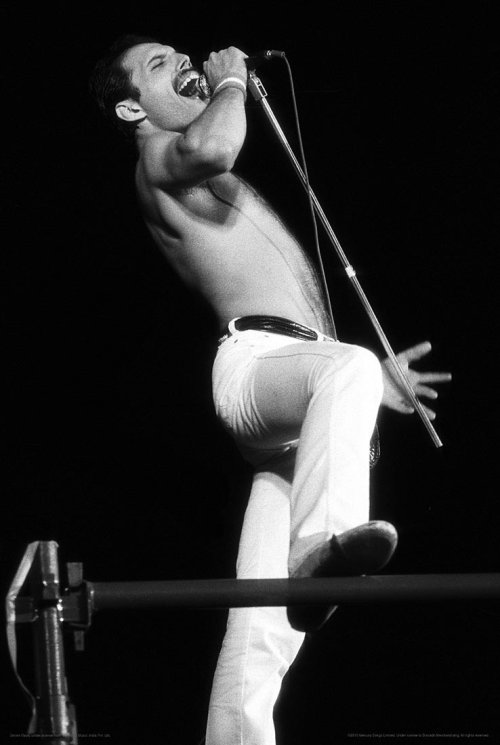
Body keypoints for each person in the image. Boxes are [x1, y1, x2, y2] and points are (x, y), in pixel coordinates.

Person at [89, 35, 451, 745]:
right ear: (133, 106)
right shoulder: (159, 156)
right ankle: (319, 548)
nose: (185, 62)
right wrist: (228, 86)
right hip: (253, 368)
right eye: (161, 65)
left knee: (258, 641)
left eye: (179, 53)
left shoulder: (195, 162)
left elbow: (298, 314)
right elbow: (218, 148)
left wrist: (373, 382)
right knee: (345, 365)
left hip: (293, 387)